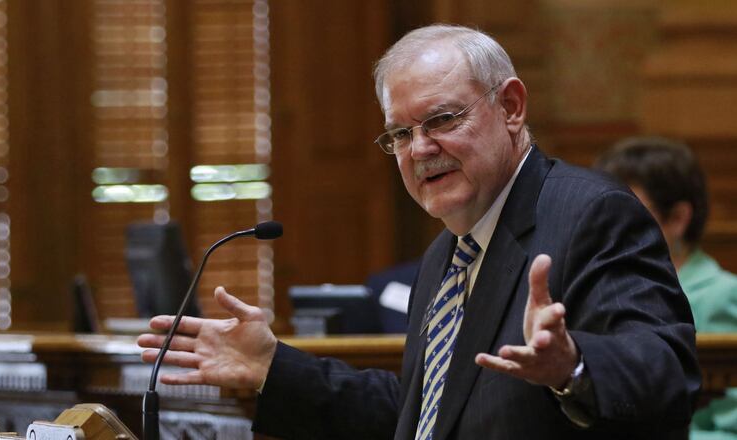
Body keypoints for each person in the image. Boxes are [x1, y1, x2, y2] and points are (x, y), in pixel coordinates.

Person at [138, 25, 700, 439]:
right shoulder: (447, 255)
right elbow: (428, 412)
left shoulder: (593, 214)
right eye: (400, 135)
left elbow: (667, 374)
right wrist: (273, 368)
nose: (421, 149)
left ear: (510, 106)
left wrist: (572, 367)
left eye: (442, 120)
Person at [595, 137, 737, 440]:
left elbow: (730, 428)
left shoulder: (721, 295)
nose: (606, 226)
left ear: (677, 218)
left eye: (626, 210)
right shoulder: (605, 288)